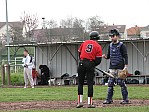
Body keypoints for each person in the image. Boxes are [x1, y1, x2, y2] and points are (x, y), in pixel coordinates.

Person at [102, 29, 129, 104]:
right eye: (111, 36)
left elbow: (125, 56)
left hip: (120, 67)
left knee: (121, 82)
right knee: (110, 83)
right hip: (112, 67)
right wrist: (105, 57)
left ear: (117, 36)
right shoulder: (110, 45)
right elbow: (108, 56)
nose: (112, 38)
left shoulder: (122, 45)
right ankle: (108, 99)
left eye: (113, 36)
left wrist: (126, 66)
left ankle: (125, 99)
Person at [76, 31, 102, 108]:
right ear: (97, 38)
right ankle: (89, 103)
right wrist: (92, 65)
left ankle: (79, 102)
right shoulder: (98, 46)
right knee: (90, 83)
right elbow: (98, 60)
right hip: (90, 63)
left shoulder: (85, 43)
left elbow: (79, 53)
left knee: (80, 83)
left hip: (81, 63)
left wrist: (83, 61)